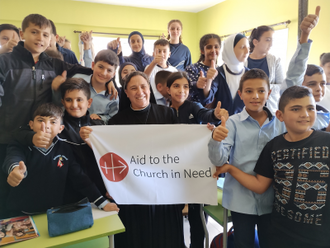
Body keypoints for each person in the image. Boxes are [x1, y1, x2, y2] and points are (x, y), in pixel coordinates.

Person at [0, 13, 117, 218]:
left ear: (51, 38)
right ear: (21, 34)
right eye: (34, 32)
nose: (40, 38)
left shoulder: (53, 64)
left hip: (46, 138)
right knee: (10, 196)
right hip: (11, 140)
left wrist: (110, 80)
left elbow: (89, 70)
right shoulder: (5, 62)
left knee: (44, 196)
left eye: (46, 34)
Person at [213, 85, 330, 248]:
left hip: (321, 236)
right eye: (296, 109)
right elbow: (260, 185)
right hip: (281, 233)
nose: (304, 114)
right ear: (280, 115)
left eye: (310, 108)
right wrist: (230, 168)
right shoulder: (274, 147)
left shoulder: (326, 142)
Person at [80, 71, 184, 248]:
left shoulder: (168, 114)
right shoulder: (116, 122)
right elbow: (110, 157)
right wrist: (90, 141)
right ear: (126, 93)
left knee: (166, 236)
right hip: (132, 191)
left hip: (164, 190)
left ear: (149, 90)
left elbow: (182, 148)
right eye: (133, 88)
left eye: (143, 86)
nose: (140, 92)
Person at [3, 103, 119, 214]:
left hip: (54, 212)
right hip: (22, 213)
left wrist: (102, 203)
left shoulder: (64, 149)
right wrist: (15, 170)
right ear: (31, 124)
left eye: (53, 122)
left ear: (61, 128)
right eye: (40, 120)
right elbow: (13, 158)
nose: (46, 125)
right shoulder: (20, 144)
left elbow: (80, 179)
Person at [167, 71, 228, 248]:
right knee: (173, 215)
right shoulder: (163, 111)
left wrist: (215, 116)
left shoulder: (193, 106)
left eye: (186, 86)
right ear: (168, 90)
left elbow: (206, 115)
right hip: (172, 172)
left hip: (196, 170)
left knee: (197, 214)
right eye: (176, 86)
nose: (181, 90)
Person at [196, 33, 249, 115]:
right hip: (220, 123)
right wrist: (209, 81)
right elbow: (207, 100)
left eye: (248, 47)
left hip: (244, 124)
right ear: (230, 49)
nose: (247, 51)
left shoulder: (250, 75)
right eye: (242, 47)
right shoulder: (219, 73)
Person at [72, 49, 119, 125]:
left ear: (113, 74)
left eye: (109, 70)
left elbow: (112, 116)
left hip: (95, 132)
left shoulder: (113, 96)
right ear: (93, 65)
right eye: (100, 67)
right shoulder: (77, 80)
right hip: (72, 127)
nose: (103, 73)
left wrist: (101, 117)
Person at [246, 25, 285, 113]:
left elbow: (282, 86)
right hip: (247, 108)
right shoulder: (243, 62)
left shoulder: (275, 61)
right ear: (255, 42)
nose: (271, 44)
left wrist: (264, 88)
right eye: (268, 40)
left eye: (272, 40)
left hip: (269, 109)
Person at [185, 34, 221, 105]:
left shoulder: (221, 70)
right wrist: (196, 85)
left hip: (215, 113)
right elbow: (185, 87)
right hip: (194, 112)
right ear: (202, 51)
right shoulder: (192, 68)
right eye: (209, 47)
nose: (213, 50)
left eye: (216, 47)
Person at [144, 39, 177, 106]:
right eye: (159, 51)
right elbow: (144, 79)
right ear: (153, 54)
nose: (162, 54)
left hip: (170, 102)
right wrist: (154, 62)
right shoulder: (149, 67)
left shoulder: (174, 70)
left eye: (164, 51)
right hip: (153, 102)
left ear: (169, 54)